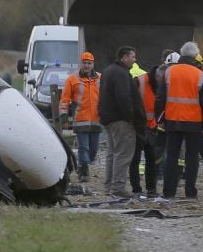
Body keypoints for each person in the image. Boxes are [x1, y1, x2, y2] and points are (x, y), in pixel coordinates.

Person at [156, 42, 203, 199]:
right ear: (195, 56)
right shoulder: (200, 75)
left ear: (181, 55)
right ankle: (190, 192)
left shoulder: (169, 72)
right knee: (192, 157)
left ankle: (168, 191)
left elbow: (160, 98)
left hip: (172, 120)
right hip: (194, 122)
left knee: (171, 155)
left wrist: (159, 118)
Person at [99, 46, 146, 197]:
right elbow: (123, 97)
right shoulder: (121, 73)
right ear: (124, 57)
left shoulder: (108, 71)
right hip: (121, 120)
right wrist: (131, 117)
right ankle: (118, 188)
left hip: (108, 119)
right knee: (123, 154)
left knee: (112, 153)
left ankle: (109, 187)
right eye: (133, 57)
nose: (135, 59)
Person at [59, 52, 102, 182]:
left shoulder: (100, 78)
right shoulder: (72, 79)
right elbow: (64, 100)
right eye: (84, 63)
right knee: (84, 148)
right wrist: (64, 118)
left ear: (93, 64)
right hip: (80, 119)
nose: (87, 65)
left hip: (97, 120)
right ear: (80, 63)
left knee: (94, 150)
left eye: (89, 63)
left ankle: (82, 165)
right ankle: (84, 172)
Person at [130, 63, 161, 195]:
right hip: (138, 127)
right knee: (135, 159)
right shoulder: (139, 81)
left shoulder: (163, 83)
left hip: (153, 127)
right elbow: (128, 100)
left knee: (152, 159)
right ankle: (136, 189)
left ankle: (151, 189)